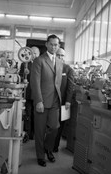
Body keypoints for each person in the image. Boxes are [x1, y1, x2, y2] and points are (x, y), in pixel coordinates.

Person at [30, 35, 63, 167]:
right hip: (42, 101)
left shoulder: (60, 62)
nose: (54, 47)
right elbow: (35, 82)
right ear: (47, 44)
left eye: (56, 45)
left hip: (55, 101)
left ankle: (48, 149)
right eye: (52, 44)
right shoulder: (39, 60)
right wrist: (38, 101)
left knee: (55, 127)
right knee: (40, 130)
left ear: (58, 46)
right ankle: (40, 156)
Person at [53, 47, 75, 152]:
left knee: (59, 125)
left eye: (62, 55)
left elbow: (70, 87)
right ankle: (47, 145)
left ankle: (54, 146)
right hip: (51, 101)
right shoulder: (50, 67)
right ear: (54, 55)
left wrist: (68, 101)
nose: (60, 57)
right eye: (58, 55)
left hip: (63, 103)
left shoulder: (68, 69)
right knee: (50, 125)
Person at [19, 46, 40, 142]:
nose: (34, 55)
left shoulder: (41, 64)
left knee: (36, 115)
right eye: (32, 53)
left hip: (38, 94)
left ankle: (34, 135)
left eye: (36, 53)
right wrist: (24, 75)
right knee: (27, 114)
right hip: (27, 93)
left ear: (39, 54)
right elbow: (20, 76)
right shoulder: (25, 64)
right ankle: (27, 133)